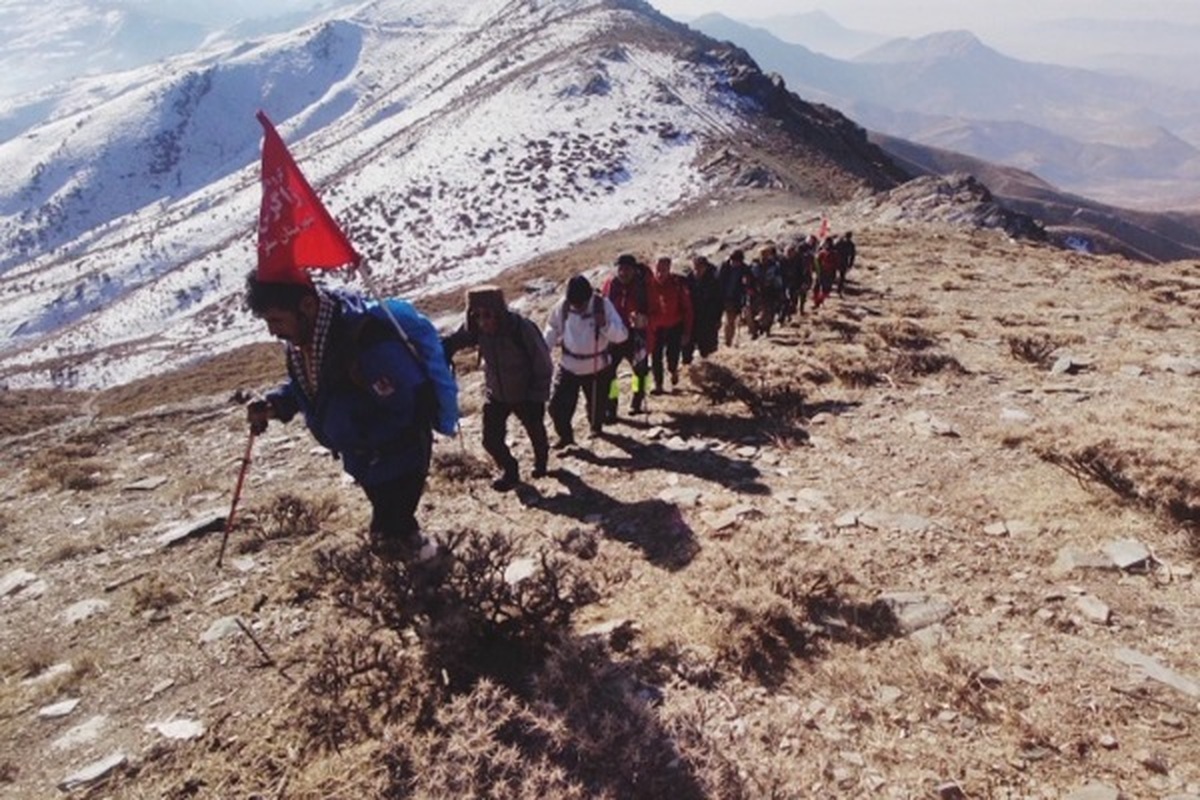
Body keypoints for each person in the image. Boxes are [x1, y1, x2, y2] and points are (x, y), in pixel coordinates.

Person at [244, 271, 435, 554]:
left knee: (389, 531)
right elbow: (312, 387)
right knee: (393, 525)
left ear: (307, 306)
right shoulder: (304, 345)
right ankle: (423, 564)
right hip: (363, 459)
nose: (272, 331)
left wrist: (366, 438)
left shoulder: (365, 343)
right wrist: (275, 405)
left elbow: (409, 402)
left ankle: (425, 578)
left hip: (398, 456)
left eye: (276, 320)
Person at [442, 285, 553, 491]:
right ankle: (510, 471)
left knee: (535, 431)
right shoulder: (476, 329)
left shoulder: (521, 329)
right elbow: (454, 341)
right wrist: (440, 348)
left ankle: (541, 462)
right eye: (477, 315)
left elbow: (543, 362)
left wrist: (538, 394)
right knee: (490, 441)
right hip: (496, 394)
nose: (482, 321)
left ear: (499, 313)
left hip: (526, 393)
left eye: (487, 315)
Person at [544, 275, 628, 447]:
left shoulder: (602, 305)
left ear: (588, 296)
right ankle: (566, 437)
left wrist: (605, 325)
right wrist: (544, 349)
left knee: (598, 407)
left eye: (581, 303)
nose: (578, 307)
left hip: (598, 368)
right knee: (556, 407)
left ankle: (596, 427)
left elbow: (621, 335)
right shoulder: (563, 306)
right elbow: (552, 328)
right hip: (569, 367)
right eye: (575, 303)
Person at [602, 254, 651, 418]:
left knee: (641, 372)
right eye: (620, 269)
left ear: (634, 269)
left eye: (627, 269)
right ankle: (610, 407)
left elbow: (652, 308)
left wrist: (643, 318)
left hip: (636, 334)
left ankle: (637, 401)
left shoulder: (643, 285)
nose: (623, 272)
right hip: (614, 335)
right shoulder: (610, 284)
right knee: (609, 374)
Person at [646, 256, 693, 394]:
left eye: (664, 270)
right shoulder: (648, 285)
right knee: (656, 357)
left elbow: (687, 309)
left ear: (669, 269)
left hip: (674, 325)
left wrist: (687, 331)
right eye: (658, 270)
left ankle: (673, 371)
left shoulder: (676, 283)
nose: (660, 274)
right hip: (655, 328)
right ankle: (658, 384)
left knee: (672, 355)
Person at [683, 255, 722, 362]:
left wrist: (718, 318)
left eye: (700, 267)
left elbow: (718, 301)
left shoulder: (713, 281)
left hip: (708, 319)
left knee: (707, 348)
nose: (698, 270)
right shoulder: (687, 280)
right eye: (695, 267)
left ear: (705, 267)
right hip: (691, 319)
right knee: (687, 348)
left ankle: (710, 369)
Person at [717, 249, 748, 347]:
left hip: (734, 299)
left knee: (730, 321)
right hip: (720, 297)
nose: (734, 263)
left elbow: (747, 284)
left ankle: (728, 341)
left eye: (737, 262)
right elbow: (717, 281)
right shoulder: (724, 267)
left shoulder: (744, 269)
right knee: (716, 321)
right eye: (733, 261)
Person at [813, 236, 841, 310]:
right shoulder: (822, 252)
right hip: (823, 273)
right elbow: (816, 263)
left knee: (825, 289)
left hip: (827, 273)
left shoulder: (831, 253)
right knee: (819, 288)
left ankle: (818, 301)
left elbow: (837, 264)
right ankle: (817, 301)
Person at [835, 231, 857, 296]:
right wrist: (850, 264)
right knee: (838, 276)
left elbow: (852, 255)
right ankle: (837, 290)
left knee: (841, 277)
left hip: (841, 261)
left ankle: (839, 290)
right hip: (839, 261)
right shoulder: (843, 243)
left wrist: (850, 264)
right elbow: (852, 255)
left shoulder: (845, 243)